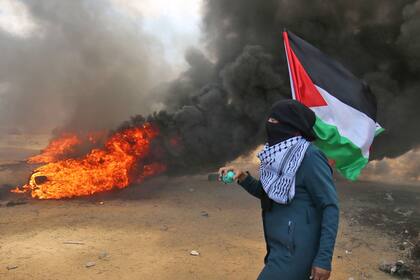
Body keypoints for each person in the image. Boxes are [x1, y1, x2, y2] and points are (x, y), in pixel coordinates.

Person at [219, 100, 339, 280]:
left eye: (275, 121)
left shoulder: (309, 157)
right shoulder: (276, 154)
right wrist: (242, 177)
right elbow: (269, 192)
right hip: (277, 246)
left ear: (291, 125)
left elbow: (330, 206)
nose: (270, 124)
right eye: (270, 119)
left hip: (296, 251)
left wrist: (323, 259)